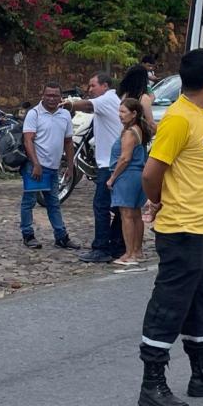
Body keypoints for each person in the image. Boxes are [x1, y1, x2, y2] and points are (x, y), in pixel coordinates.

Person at [137, 48, 203, 406]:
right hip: (181, 229)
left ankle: (202, 373)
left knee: (201, 302)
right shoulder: (179, 119)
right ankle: (152, 383)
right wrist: (157, 201)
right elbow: (151, 173)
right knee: (170, 305)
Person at [64, 72, 126, 263]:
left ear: (105, 86)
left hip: (108, 164)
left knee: (101, 206)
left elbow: (88, 105)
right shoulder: (112, 100)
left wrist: (69, 105)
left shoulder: (106, 99)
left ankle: (101, 247)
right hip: (113, 162)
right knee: (117, 208)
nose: (89, 90)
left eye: (93, 86)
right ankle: (117, 245)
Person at [21, 80, 80, 251]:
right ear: (43, 95)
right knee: (29, 202)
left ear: (61, 97)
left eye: (55, 95)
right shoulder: (34, 114)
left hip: (54, 167)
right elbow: (28, 140)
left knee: (53, 202)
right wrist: (36, 164)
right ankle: (28, 234)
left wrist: (70, 165)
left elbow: (68, 142)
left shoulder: (65, 115)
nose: (52, 99)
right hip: (35, 167)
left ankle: (61, 236)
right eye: (49, 95)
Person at [107, 98, 152, 265]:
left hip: (127, 176)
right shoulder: (139, 130)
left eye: (123, 112)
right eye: (119, 111)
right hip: (137, 176)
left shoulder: (129, 133)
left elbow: (125, 158)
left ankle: (129, 253)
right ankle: (137, 251)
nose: (120, 115)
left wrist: (112, 178)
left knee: (127, 215)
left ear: (134, 114)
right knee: (136, 214)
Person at [117, 63, 157, 132]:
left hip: (125, 133)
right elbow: (151, 124)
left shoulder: (124, 95)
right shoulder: (143, 98)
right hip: (138, 136)